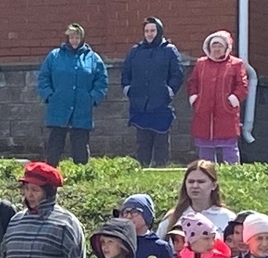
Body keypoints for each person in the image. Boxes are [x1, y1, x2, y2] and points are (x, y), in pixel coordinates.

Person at [37, 23, 108, 165]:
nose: (74, 41)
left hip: (82, 108)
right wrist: (50, 96)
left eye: (77, 37)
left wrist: (93, 98)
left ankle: (81, 173)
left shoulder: (93, 58)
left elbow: (102, 80)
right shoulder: (55, 56)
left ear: (82, 38)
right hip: (59, 106)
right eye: (72, 37)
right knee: (55, 145)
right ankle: (50, 172)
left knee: (80, 146)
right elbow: (43, 77)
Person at [122, 16, 185, 167]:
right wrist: (128, 89)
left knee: (161, 143)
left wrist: (169, 90)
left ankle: (161, 170)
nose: (149, 34)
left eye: (152, 30)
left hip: (161, 105)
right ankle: (142, 169)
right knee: (142, 142)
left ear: (159, 31)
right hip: (140, 105)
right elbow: (126, 72)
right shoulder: (136, 51)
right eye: (146, 31)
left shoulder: (169, 51)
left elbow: (177, 74)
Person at [188, 30, 250, 165]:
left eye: (220, 46)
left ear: (227, 47)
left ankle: (232, 173)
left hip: (226, 113)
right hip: (204, 112)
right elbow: (193, 82)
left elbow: (242, 85)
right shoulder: (201, 64)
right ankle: (207, 173)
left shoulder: (236, 64)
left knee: (229, 150)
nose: (216, 49)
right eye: (214, 45)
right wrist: (194, 98)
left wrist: (233, 99)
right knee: (205, 151)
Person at [156, 160, 237, 236]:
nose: (195, 186)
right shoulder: (173, 217)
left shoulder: (228, 218)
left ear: (214, 185)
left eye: (201, 182)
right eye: (191, 182)